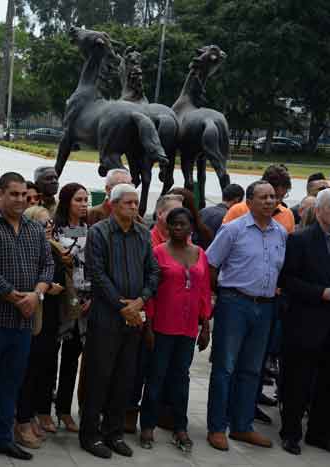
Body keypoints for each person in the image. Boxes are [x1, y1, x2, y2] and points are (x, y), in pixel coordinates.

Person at [0, 172, 54, 467]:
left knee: (11, 383)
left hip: (23, 324)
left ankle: (3, 439)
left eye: (23, 195)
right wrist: (20, 299)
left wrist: (36, 296)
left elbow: (47, 265)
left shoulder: (34, 229)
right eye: (13, 194)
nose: (19, 199)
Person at [205, 180, 287, 451]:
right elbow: (211, 264)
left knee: (251, 370)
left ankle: (242, 426)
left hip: (265, 308)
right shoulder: (233, 230)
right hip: (235, 303)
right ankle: (217, 427)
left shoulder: (280, 233)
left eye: (273, 197)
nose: (269, 201)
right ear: (249, 202)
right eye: (263, 197)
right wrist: (218, 296)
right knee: (225, 367)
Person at [79, 183, 158, 459]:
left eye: (136, 203)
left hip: (134, 316)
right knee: (99, 377)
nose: (134, 207)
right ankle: (90, 435)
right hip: (106, 317)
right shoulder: (100, 233)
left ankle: (114, 433)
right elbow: (97, 274)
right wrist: (122, 306)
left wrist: (140, 301)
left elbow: (153, 272)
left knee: (124, 378)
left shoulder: (142, 234)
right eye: (128, 203)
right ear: (113, 205)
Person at [139, 208, 212, 452]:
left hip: (188, 327)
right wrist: (148, 326)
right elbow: (149, 293)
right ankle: (147, 424)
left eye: (182, 224)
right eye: (173, 225)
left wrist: (205, 326)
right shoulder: (158, 252)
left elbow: (203, 290)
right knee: (156, 376)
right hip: (161, 325)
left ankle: (180, 426)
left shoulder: (199, 253)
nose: (177, 228)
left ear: (191, 226)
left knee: (181, 378)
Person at [278, 189, 330, 455]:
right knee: (298, 381)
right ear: (319, 211)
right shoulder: (300, 240)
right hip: (305, 322)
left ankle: (319, 433)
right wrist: (320, 292)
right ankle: (291, 433)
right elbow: (287, 280)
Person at [15, 206, 64, 448]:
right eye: (42, 223)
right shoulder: (28, 248)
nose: (48, 227)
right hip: (35, 316)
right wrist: (45, 289)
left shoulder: (53, 247)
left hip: (52, 318)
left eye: (50, 223)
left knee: (43, 369)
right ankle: (22, 419)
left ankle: (32, 414)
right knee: (29, 371)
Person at [51, 183, 91, 433]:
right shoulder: (54, 229)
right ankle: (42, 407)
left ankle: (64, 410)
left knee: (71, 360)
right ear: (67, 202)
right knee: (48, 359)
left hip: (84, 302)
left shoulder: (92, 230)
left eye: (86, 199)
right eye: (79, 199)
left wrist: (92, 296)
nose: (84, 204)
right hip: (59, 299)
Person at [223, 164, 295, 233]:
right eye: (274, 196)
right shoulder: (237, 211)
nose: (278, 201)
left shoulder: (287, 215)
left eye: (282, 196)